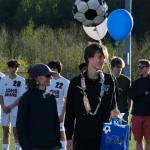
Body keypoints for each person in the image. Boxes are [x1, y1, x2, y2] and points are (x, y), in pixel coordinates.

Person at [64, 43, 119, 150]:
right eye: (99, 57)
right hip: (82, 136)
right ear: (89, 57)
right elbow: (70, 112)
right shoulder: (76, 82)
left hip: (104, 135)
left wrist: (115, 111)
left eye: (104, 57)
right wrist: (69, 137)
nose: (103, 60)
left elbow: (113, 105)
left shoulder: (109, 80)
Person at [16, 63, 61, 150]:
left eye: (51, 75)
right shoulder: (26, 98)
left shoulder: (51, 97)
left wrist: (57, 143)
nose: (50, 78)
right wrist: (26, 147)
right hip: (34, 146)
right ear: (37, 77)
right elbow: (21, 125)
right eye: (47, 75)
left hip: (52, 146)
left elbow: (55, 122)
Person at [0, 59, 26, 150]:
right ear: (9, 68)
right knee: (6, 132)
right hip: (5, 110)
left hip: (15, 110)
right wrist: (3, 106)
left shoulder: (21, 80)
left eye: (15, 67)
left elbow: (21, 97)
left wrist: (11, 106)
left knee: (16, 132)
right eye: (12, 67)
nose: (14, 69)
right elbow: (1, 95)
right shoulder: (3, 80)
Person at [47, 60, 70, 150]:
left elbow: (66, 99)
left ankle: (63, 148)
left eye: (53, 68)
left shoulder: (65, 82)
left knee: (61, 130)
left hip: (59, 111)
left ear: (57, 69)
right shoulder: (47, 80)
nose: (51, 71)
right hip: (47, 111)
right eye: (49, 69)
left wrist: (63, 114)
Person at [128, 59, 150, 150]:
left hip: (149, 115)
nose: (140, 68)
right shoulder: (136, 82)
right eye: (139, 67)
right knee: (138, 140)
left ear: (148, 68)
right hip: (137, 115)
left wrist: (139, 96)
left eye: (142, 67)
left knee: (148, 140)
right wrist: (144, 93)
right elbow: (131, 95)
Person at [110, 56, 131, 123]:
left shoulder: (126, 81)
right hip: (109, 113)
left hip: (122, 113)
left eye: (121, 67)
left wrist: (127, 112)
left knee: (122, 132)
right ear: (112, 67)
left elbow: (129, 98)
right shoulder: (106, 79)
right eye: (118, 67)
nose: (120, 69)